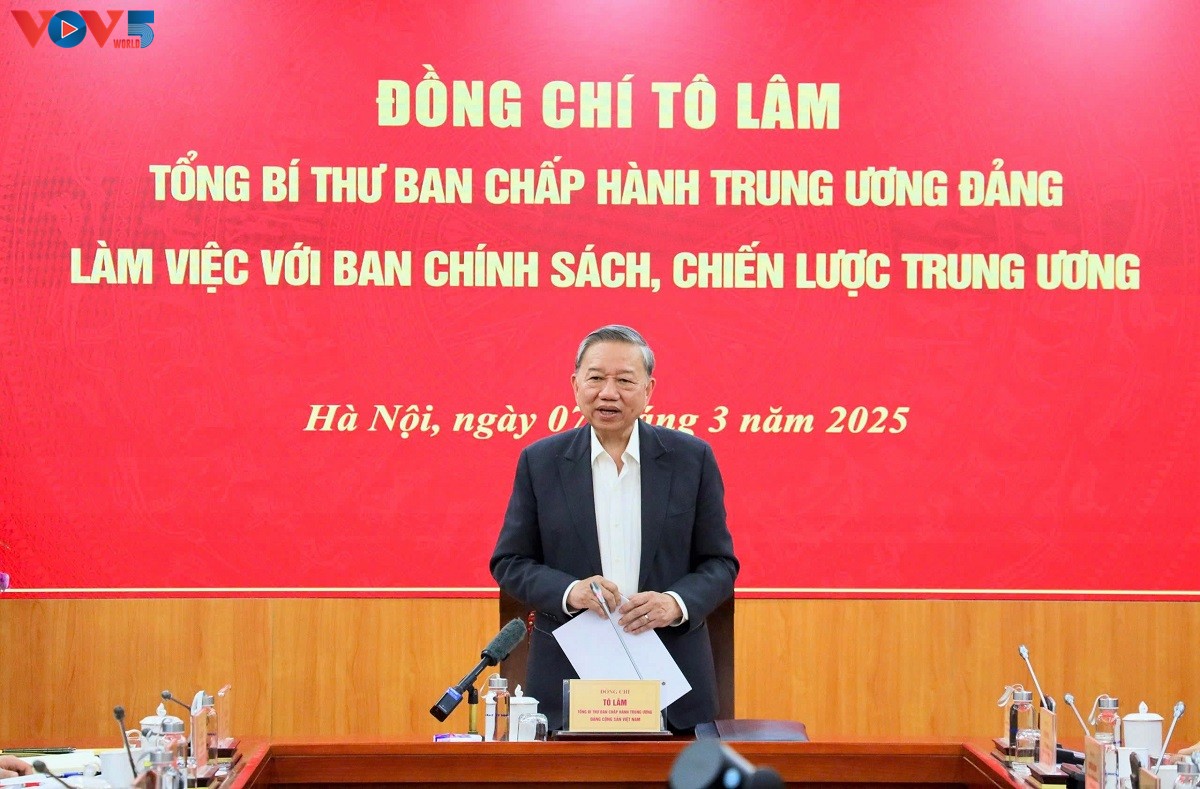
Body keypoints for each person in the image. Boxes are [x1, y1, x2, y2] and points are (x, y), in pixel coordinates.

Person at [490, 325, 739, 732]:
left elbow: (720, 564)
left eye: (624, 380)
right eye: (596, 378)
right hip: (569, 680)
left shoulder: (691, 459)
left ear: (649, 390)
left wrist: (674, 603)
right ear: (575, 385)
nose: (609, 393)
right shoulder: (541, 462)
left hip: (672, 679)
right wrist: (572, 592)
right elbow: (510, 562)